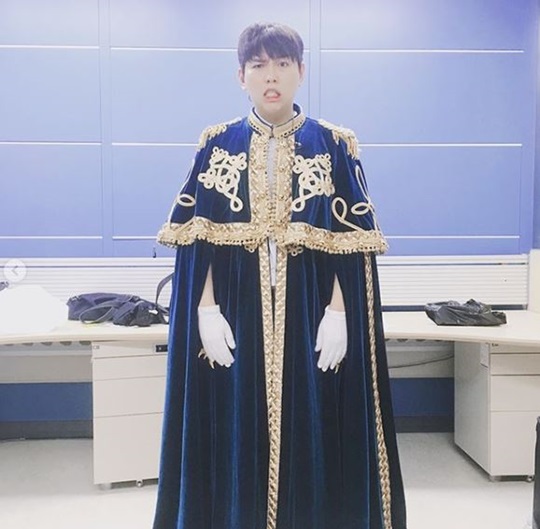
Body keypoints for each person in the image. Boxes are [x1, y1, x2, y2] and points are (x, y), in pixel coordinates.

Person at [153, 22, 407, 529]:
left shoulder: (333, 144)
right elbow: (197, 242)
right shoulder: (216, 145)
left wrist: (339, 313)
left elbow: (352, 245)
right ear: (241, 76)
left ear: (301, 72)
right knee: (234, 427)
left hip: (312, 313)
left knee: (314, 427)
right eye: (259, 66)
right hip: (235, 313)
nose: (271, 77)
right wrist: (205, 309)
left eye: (283, 65)